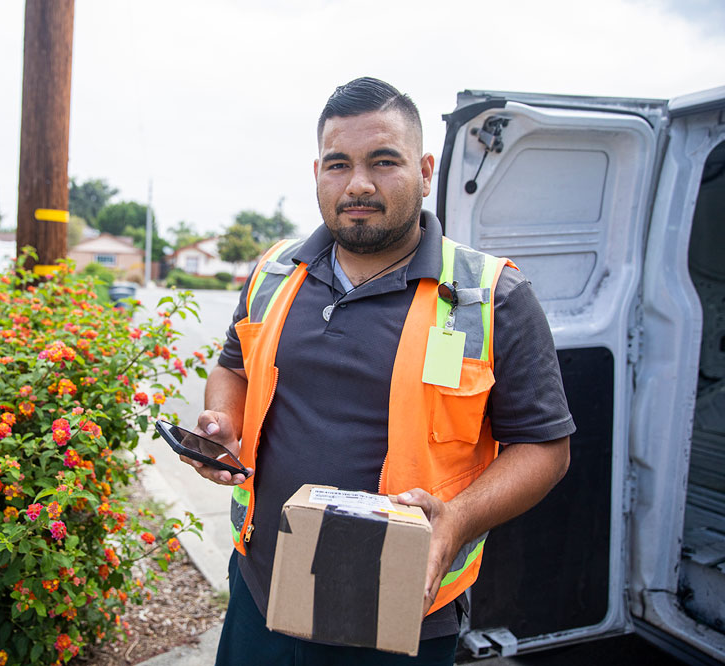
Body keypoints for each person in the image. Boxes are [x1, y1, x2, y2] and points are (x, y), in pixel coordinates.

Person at [181, 77, 575, 665]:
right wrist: (223, 423)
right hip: (260, 594)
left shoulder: (493, 296)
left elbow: (545, 449)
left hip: (400, 618)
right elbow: (232, 367)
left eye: (383, 161)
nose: (358, 184)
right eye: (338, 164)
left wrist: (458, 518)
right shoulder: (274, 272)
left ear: (425, 170)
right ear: (318, 171)